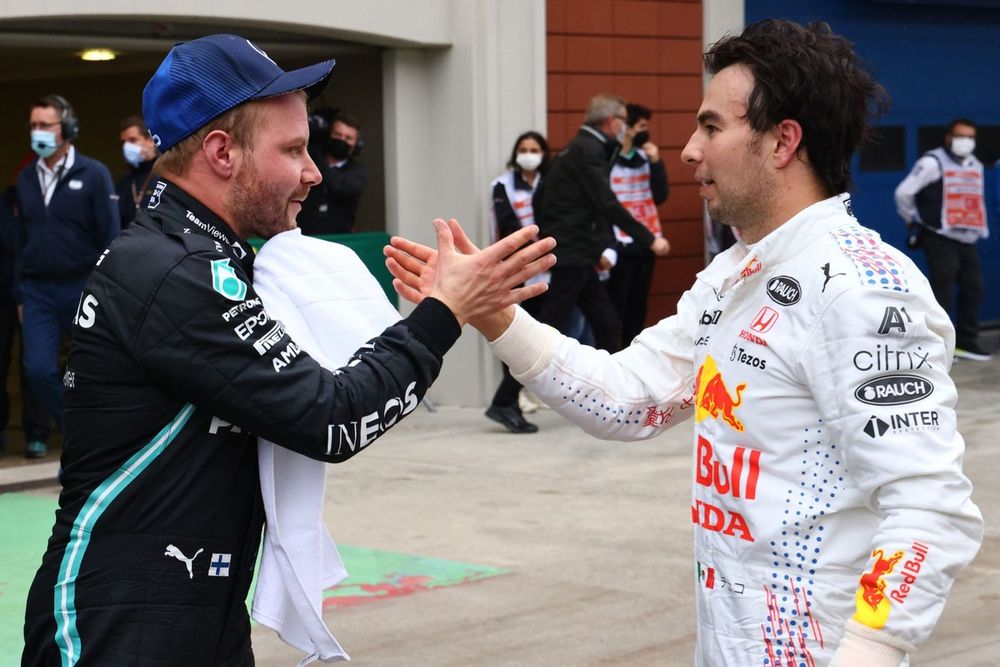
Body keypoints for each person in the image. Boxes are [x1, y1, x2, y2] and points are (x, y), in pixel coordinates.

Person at [386, 19, 983, 667]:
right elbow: (627, 399)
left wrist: (869, 648)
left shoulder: (862, 288)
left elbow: (929, 508)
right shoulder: (735, 274)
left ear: (783, 141)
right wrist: (495, 314)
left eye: (711, 126)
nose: (690, 149)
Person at [21, 34, 554, 665]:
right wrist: (443, 315)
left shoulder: (207, 254)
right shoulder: (174, 270)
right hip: (122, 624)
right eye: (294, 150)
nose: (314, 171)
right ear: (222, 152)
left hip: (194, 610)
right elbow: (329, 418)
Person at [14, 94, 120, 458]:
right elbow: (20, 239)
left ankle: (94, 442)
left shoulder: (93, 174)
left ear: (68, 129)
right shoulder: (26, 177)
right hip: (37, 291)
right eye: (34, 126)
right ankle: (80, 435)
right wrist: (20, 296)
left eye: (46, 125)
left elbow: (111, 236)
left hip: (82, 286)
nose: (38, 133)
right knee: (38, 370)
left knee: (94, 370)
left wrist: (107, 291)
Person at [532, 93, 670, 353]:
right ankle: (513, 391)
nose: (626, 128)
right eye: (624, 122)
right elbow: (606, 204)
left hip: (580, 252)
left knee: (606, 323)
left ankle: (615, 385)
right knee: (551, 326)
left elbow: (544, 200)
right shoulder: (589, 150)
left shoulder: (577, 147)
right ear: (611, 121)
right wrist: (650, 239)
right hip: (573, 253)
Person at [894, 118, 992, 361]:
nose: (965, 142)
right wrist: (913, 219)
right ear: (949, 137)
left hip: (966, 237)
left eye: (970, 137)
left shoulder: (974, 164)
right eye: (961, 136)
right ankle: (939, 345)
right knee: (942, 290)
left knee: (973, 288)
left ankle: (966, 342)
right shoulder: (932, 162)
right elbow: (903, 193)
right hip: (939, 236)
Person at [484, 130, 549, 434]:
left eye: (534, 148)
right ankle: (506, 403)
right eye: (523, 148)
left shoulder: (550, 183)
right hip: (513, 272)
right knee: (515, 336)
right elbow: (508, 226)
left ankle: (510, 400)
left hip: (548, 270)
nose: (528, 153)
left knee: (536, 336)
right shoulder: (502, 185)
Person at [606, 102, 671, 344]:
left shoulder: (646, 156)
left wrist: (656, 162)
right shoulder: (609, 156)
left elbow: (660, 195)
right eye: (641, 126)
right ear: (628, 128)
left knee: (638, 305)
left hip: (648, 240)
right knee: (615, 306)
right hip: (618, 242)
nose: (646, 131)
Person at [0, 186, 50, 456]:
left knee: (34, 367)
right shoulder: (5, 206)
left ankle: (38, 433)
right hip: (4, 295)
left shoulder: (49, 208)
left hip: (35, 293)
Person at [297, 111, 367, 235]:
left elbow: (340, 186)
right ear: (329, 135)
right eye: (337, 134)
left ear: (357, 145)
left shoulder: (358, 171)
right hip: (303, 236)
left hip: (340, 240)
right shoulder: (307, 162)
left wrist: (317, 156)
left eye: (348, 138)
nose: (342, 140)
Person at [115, 114, 158, 227]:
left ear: (150, 141)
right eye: (123, 142)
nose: (126, 147)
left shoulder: (167, 176)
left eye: (132, 140)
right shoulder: (123, 182)